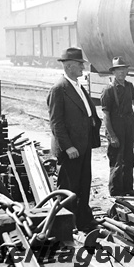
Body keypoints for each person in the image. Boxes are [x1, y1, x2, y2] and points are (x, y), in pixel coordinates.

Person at [47, 47, 101, 232]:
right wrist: (67, 146)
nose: (82, 68)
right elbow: (56, 123)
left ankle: (83, 221)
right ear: (69, 66)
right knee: (69, 187)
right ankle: (66, 224)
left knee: (83, 183)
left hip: (83, 146)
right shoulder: (59, 89)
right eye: (80, 65)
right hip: (71, 149)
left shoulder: (77, 86)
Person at [101, 56, 134, 197]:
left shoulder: (130, 86)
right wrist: (112, 136)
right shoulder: (108, 90)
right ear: (114, 72)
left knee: (129, 158)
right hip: (115, 126)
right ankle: (116, 191)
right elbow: (106, 115)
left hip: (128, 126)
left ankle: (128, 188)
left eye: (123, 70)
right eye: (118, 70)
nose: (121, 73)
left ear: (127, 71)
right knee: (116, 159)